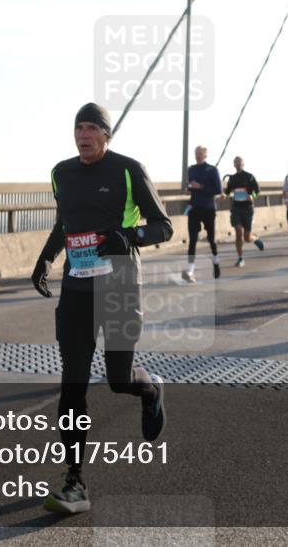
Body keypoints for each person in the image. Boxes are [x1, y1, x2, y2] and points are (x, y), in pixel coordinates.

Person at [30, 103, 171, 515]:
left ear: (106, 135)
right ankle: (75, 480)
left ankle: (149, 388)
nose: (84, 135)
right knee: (72, 385)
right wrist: (46, 258)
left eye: (92, 128)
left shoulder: (128, 170)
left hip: (121, 287)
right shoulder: (61, 173)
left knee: (118, 380)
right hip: (77, 289)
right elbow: (64, 223)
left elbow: (163, 225)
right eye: (79, 128)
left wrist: (128, 237)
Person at [183, 145, 222, 283]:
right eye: (196, 153)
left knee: (211, 239)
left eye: (200, 153)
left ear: (205, 155)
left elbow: (218, 190)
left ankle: (216, 262)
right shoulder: (191, 169)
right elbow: (190, 185)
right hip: (194, 208)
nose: (197, 155)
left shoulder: (212, 170)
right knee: (192, 239)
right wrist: (189, 189)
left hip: (208, 208)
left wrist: (201, 187)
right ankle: (190, 271)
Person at [224, 156, 265, 267]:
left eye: (239, 162)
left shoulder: (249, 177)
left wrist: (252, 196)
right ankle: (240, 258)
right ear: (234, 165)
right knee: (238, 232)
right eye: (236, 162)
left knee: (247, 237)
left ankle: (255, 238)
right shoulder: (232, 178)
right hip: (236, 208)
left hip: (247, 208)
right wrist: (224, 195)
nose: (237, 164)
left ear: (243, 164)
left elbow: (257, 191)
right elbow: (228, 191)